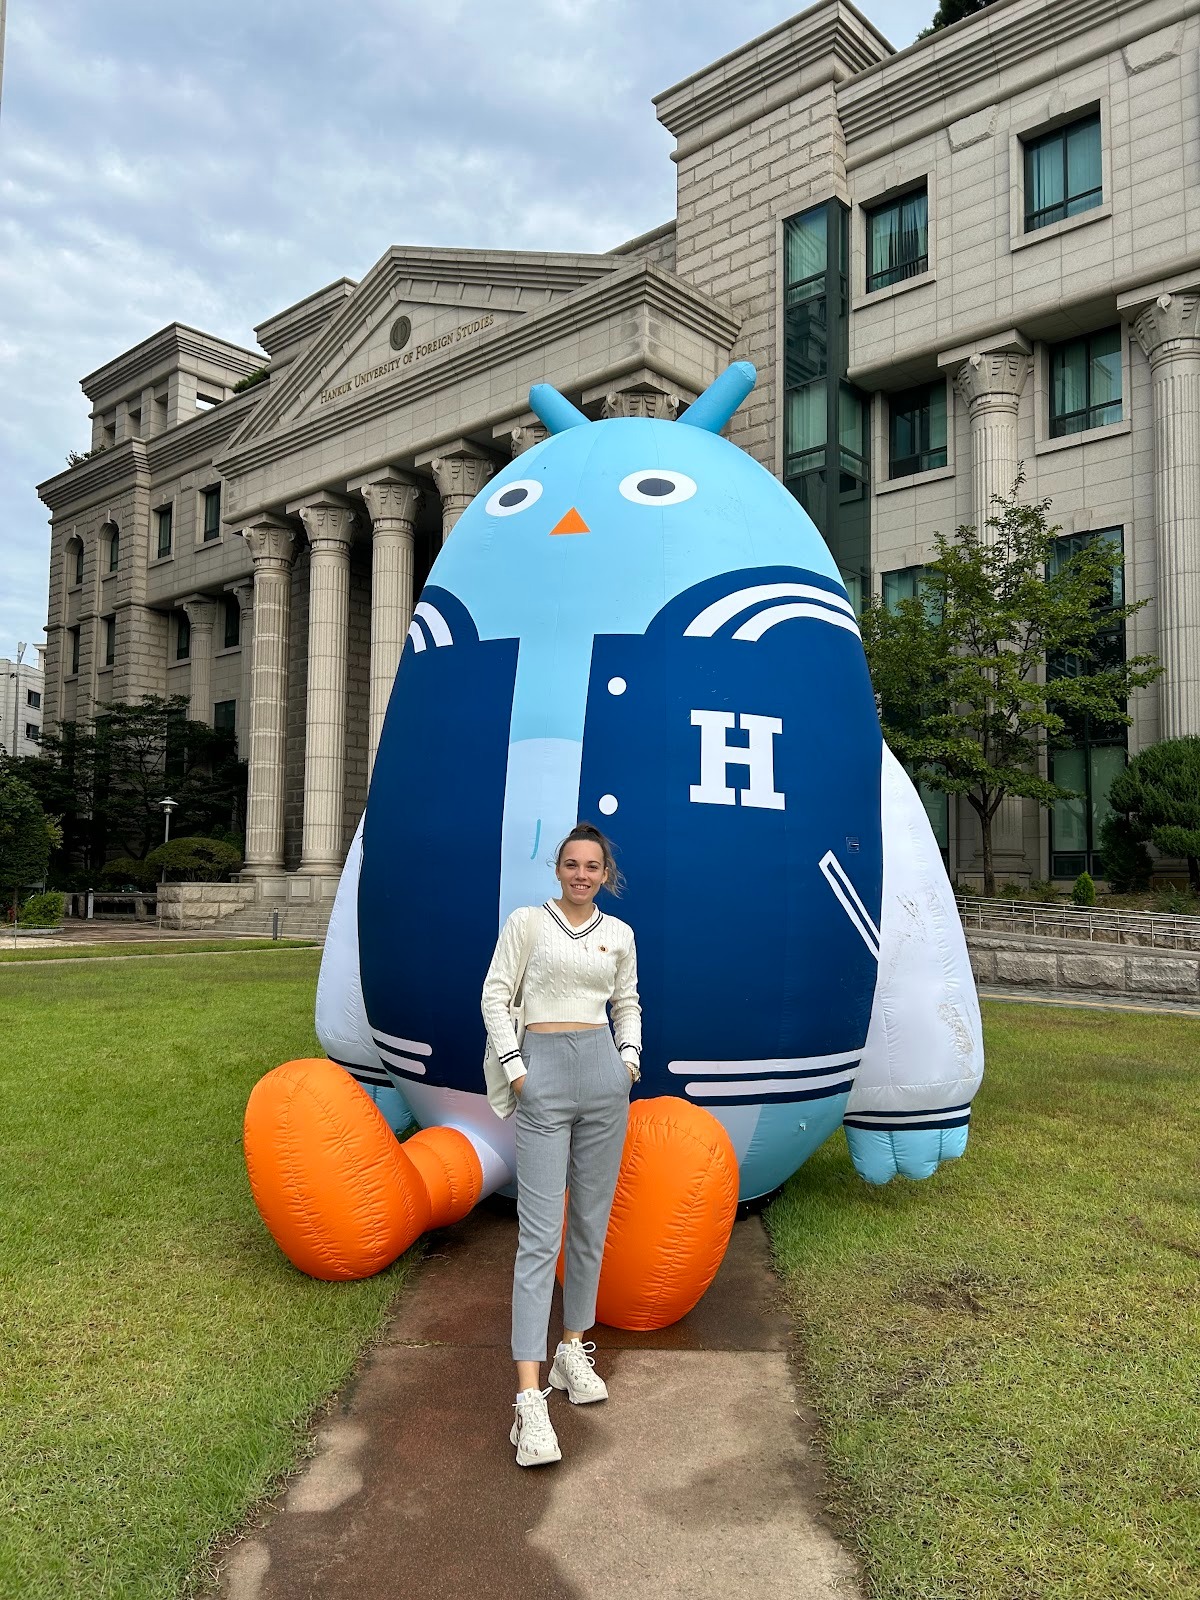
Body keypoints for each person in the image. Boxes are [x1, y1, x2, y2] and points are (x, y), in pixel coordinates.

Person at [481, 822, 641, 1468]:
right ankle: (528, 1401)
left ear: (606, 873)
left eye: (592, 866)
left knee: (589, 1226)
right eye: (571, 864)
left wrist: (627, 1060)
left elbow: (627, 1002)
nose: (581, 874)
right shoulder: (528, 923)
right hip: (542, 1073)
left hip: (603, 1078)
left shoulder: (619, 935)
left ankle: (572, 1349)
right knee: (538, 1237)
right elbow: (495, 996)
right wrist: (519, 1070)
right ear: (557, 869)